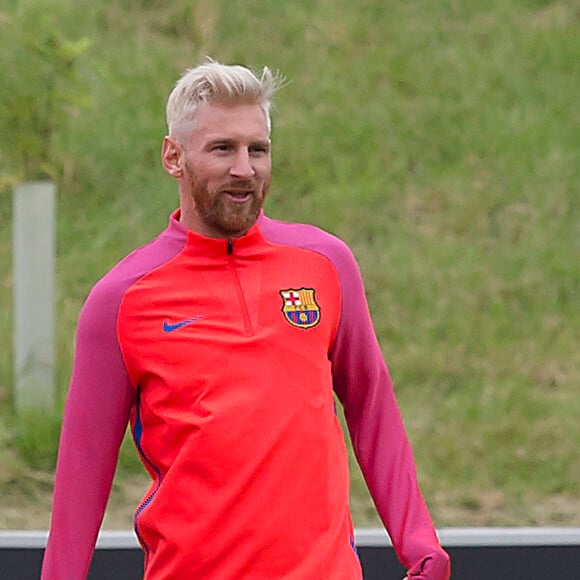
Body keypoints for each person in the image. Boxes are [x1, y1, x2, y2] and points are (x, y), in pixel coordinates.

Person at [41, 59, 450, 579]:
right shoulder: (121, 300)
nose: (245, 169)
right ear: (173, 156)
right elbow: (81, 475)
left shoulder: (326, 264)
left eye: (258, 149)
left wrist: (420, 544)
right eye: (222, 149)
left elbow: (373, 407)